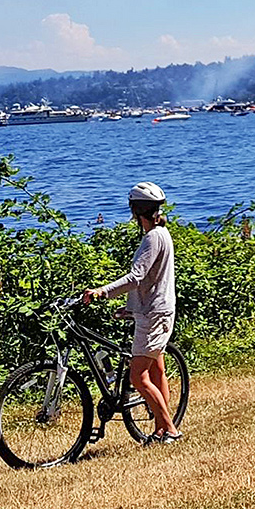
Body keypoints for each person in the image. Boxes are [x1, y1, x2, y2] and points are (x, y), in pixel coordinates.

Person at [84, 181, 180, 444]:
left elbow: (137, 277)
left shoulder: (152, 238)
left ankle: (169, 429)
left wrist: (102, 291)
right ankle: (161, 428)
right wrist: (132, 307)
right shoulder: (163, 234)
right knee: (157, 371)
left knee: (138, 377)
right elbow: (154, 280)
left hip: (153, 315)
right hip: (155, 310)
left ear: (135, 211)